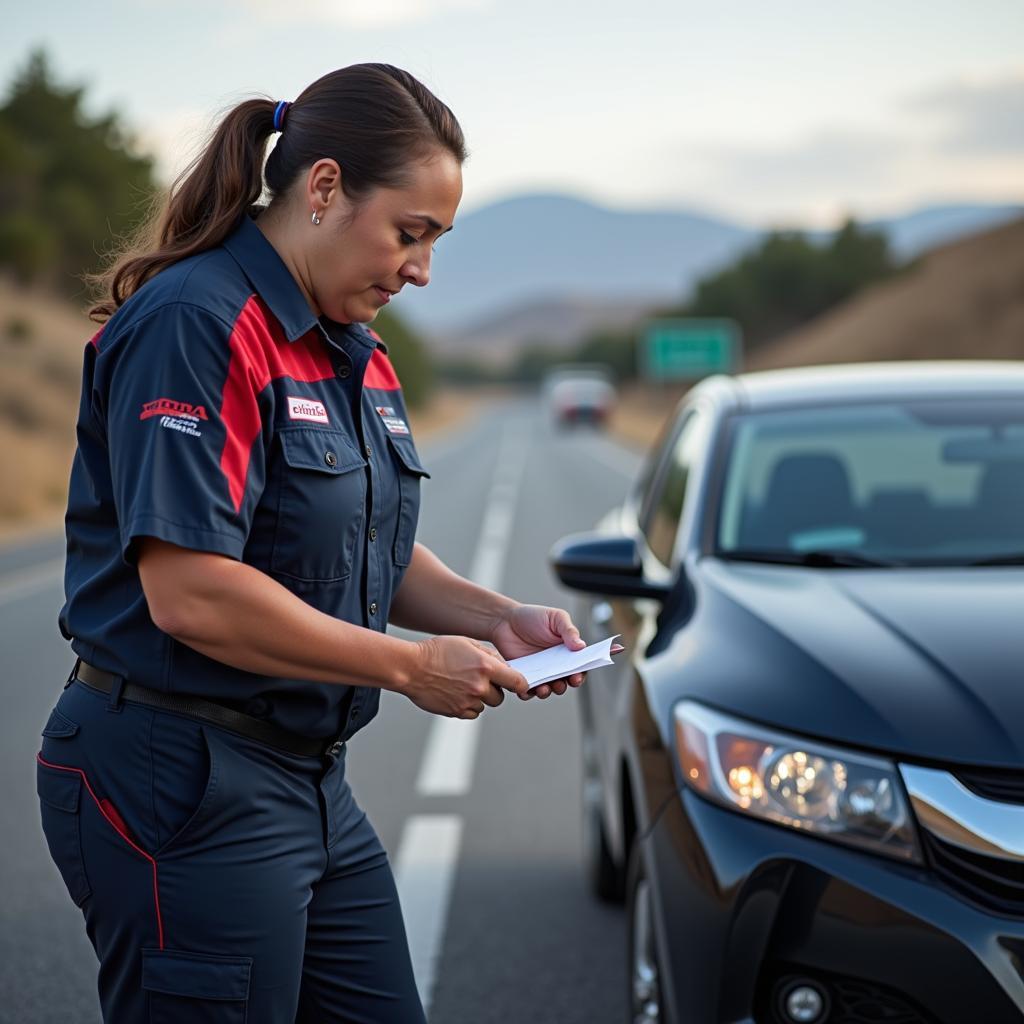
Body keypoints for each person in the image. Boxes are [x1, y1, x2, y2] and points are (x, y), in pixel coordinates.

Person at [36, 63, 586, 1023]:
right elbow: (192, 593)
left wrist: (503, 622)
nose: (421, 270)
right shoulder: (198, 325)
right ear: (325, 189)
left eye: (436, 243)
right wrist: (411, 667)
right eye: (409, 234)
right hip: (181, 777)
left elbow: (365, 544)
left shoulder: (353, 351)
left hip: (309, 782)